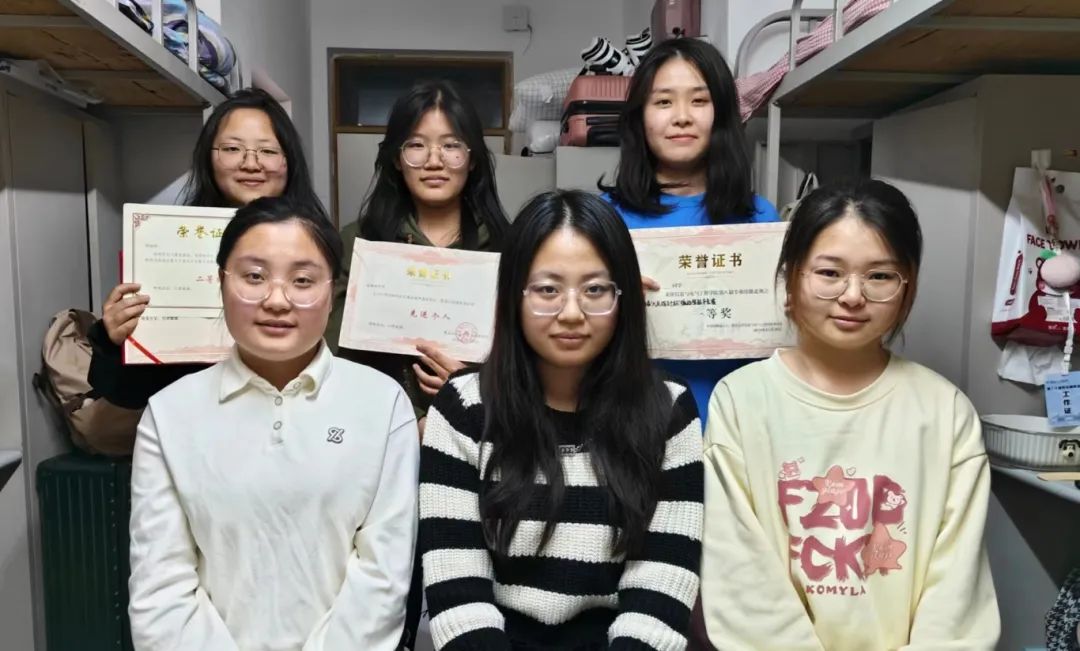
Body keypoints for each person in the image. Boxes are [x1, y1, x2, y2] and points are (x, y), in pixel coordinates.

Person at [700, 179, 1000, 650]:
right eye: (829, 272)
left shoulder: (945, 412)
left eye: (879, 276)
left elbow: (955, 596)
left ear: (908, 285)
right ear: (791, 276)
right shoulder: (740, 401)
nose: (853, 295)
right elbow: (742, 580)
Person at [128, 197, 418, 650]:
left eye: (302, 281)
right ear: (220, 282)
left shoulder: (383, 405)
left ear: (333, 290)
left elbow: (383, 576)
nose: (277, 300)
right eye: (254, 277)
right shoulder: (169, 414)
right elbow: (160, 586)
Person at [419, 190, 703, 650]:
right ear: (513, 296)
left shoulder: (668, 410)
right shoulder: (464, 407)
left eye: (595, 290)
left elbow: (662, 587)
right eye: (548, 290)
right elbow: (458, 591)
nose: (572, 313)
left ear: (623, 297)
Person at [88, 88, 328, 414]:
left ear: (289, 160)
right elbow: (127, 394)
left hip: (297, 416)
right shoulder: (165, 244)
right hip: (196, 422)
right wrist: (112, 338)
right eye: (232, 148)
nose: (251, 163)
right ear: (208, 157)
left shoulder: (317, 246)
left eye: (268, 151)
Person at [601, 37, 780, 423]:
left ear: (722, 114)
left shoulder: (760, 218)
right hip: (634, 423)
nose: (682, 117)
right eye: (663, 102)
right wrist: (611, 299)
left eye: (699, 101)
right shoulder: (604, 219)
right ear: (640, 116)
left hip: (739, 423)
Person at [328, 79, 508, 431]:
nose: (434, 161)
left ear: (472, 159)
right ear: (397, 158)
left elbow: (531, 358)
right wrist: (410, 418)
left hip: (483, 431)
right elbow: (334, 355)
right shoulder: (358, 243)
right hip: (378, 429)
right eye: (416, 145)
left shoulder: (508, 246)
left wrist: (472, 390)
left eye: (451, 145)